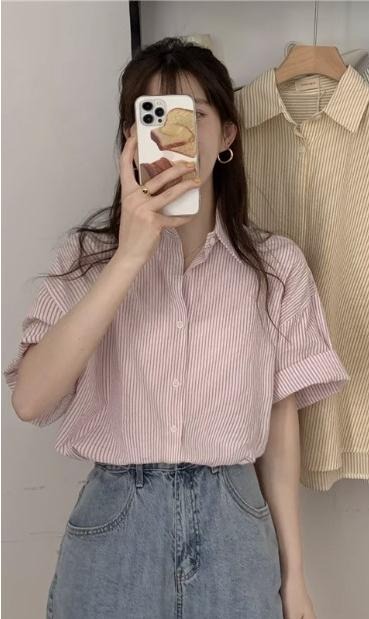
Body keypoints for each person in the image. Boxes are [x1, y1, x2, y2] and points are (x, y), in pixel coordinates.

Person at [3, 37, 349, 619]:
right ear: (130, 137)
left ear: (227, 135)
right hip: (118, 523)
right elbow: (30, 400)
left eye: (192, 116)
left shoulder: (275, 266)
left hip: (235, 521)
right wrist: (129, 258)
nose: (171, 135)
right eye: (154, 117)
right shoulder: (86, 259)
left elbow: (279, 423)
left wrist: (294, 576)